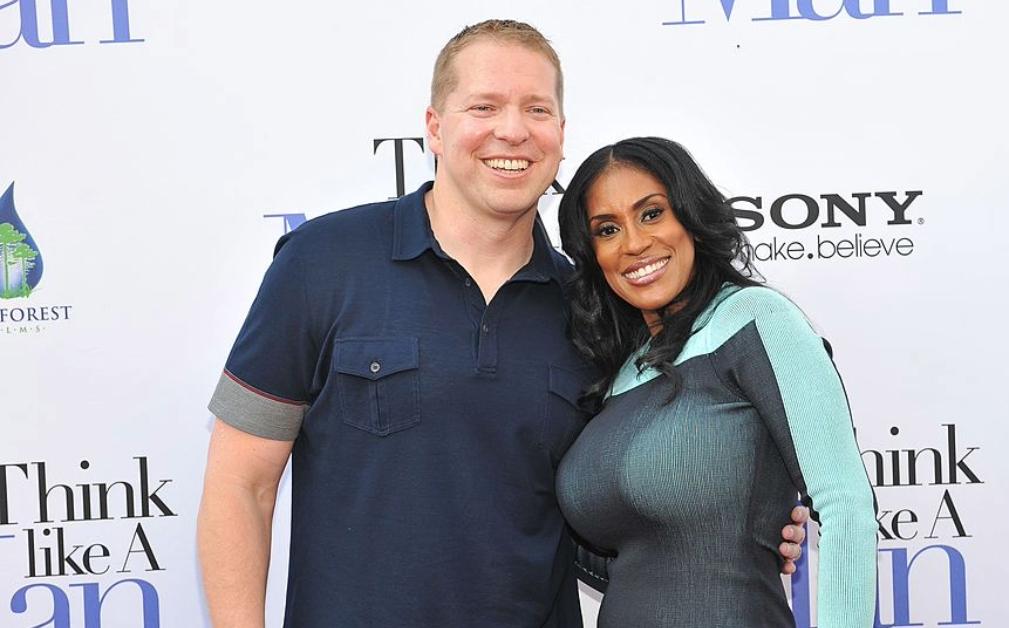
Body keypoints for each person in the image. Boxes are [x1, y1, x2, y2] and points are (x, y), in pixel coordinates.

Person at [196, 21, 809, 628]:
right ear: (435, 127)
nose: (512, 131)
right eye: (484, 106)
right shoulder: (323, 261)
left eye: (536, 109)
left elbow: (613, 506)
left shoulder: (597, 308)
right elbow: (241, 487)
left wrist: (732, 528)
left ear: (561, 135)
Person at [555, 136, 878, 627]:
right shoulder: (618, 373)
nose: (634, 243)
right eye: (607, 229)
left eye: (651, 213)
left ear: (691, 216)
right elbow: (641, 564)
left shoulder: (755, 319)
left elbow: (844, 505)